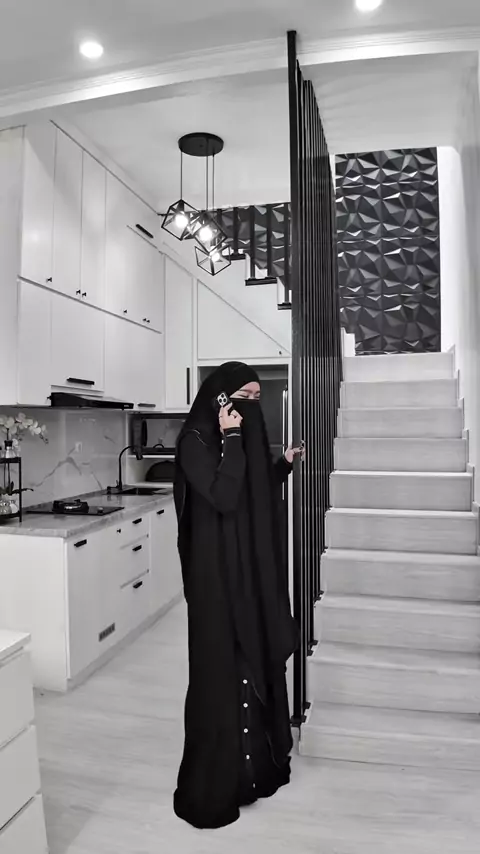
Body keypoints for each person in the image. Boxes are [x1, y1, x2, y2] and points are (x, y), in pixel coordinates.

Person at [173, 361, 301, 829]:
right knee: (222, 667)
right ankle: (222, 778)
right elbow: (224, 496)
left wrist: (282, 466)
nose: (251, 407)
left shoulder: (234, 439)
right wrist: (230, 437)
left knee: (252, 655)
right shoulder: (195, 442)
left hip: (245, 573)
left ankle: (256, 771)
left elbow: (250, 490)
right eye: (243, 398)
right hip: (215, 582)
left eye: (256, 398)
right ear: (220, 399)